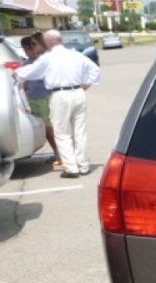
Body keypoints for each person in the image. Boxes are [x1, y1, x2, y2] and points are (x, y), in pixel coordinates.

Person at [15, 29, 101, 178]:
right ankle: (84, 165)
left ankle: (72, 168)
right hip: (78, 93)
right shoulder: (75, 54)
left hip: (59, 95)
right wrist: (84, 86)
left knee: (62, 133)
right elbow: (95, 70)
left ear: (48, 42)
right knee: (80, 131)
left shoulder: (48, 58)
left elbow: (29, 72)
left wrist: (15, 71)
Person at [20, 35, 60, 167]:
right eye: (24, 48)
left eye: (28, 47)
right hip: (33, 100)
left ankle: (60, 154)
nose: (26, 51)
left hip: (45, 98)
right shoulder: (26, 63)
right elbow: (24, 83)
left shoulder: (43, 61)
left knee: (50, 129)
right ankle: (57, 153)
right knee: (44, 129)